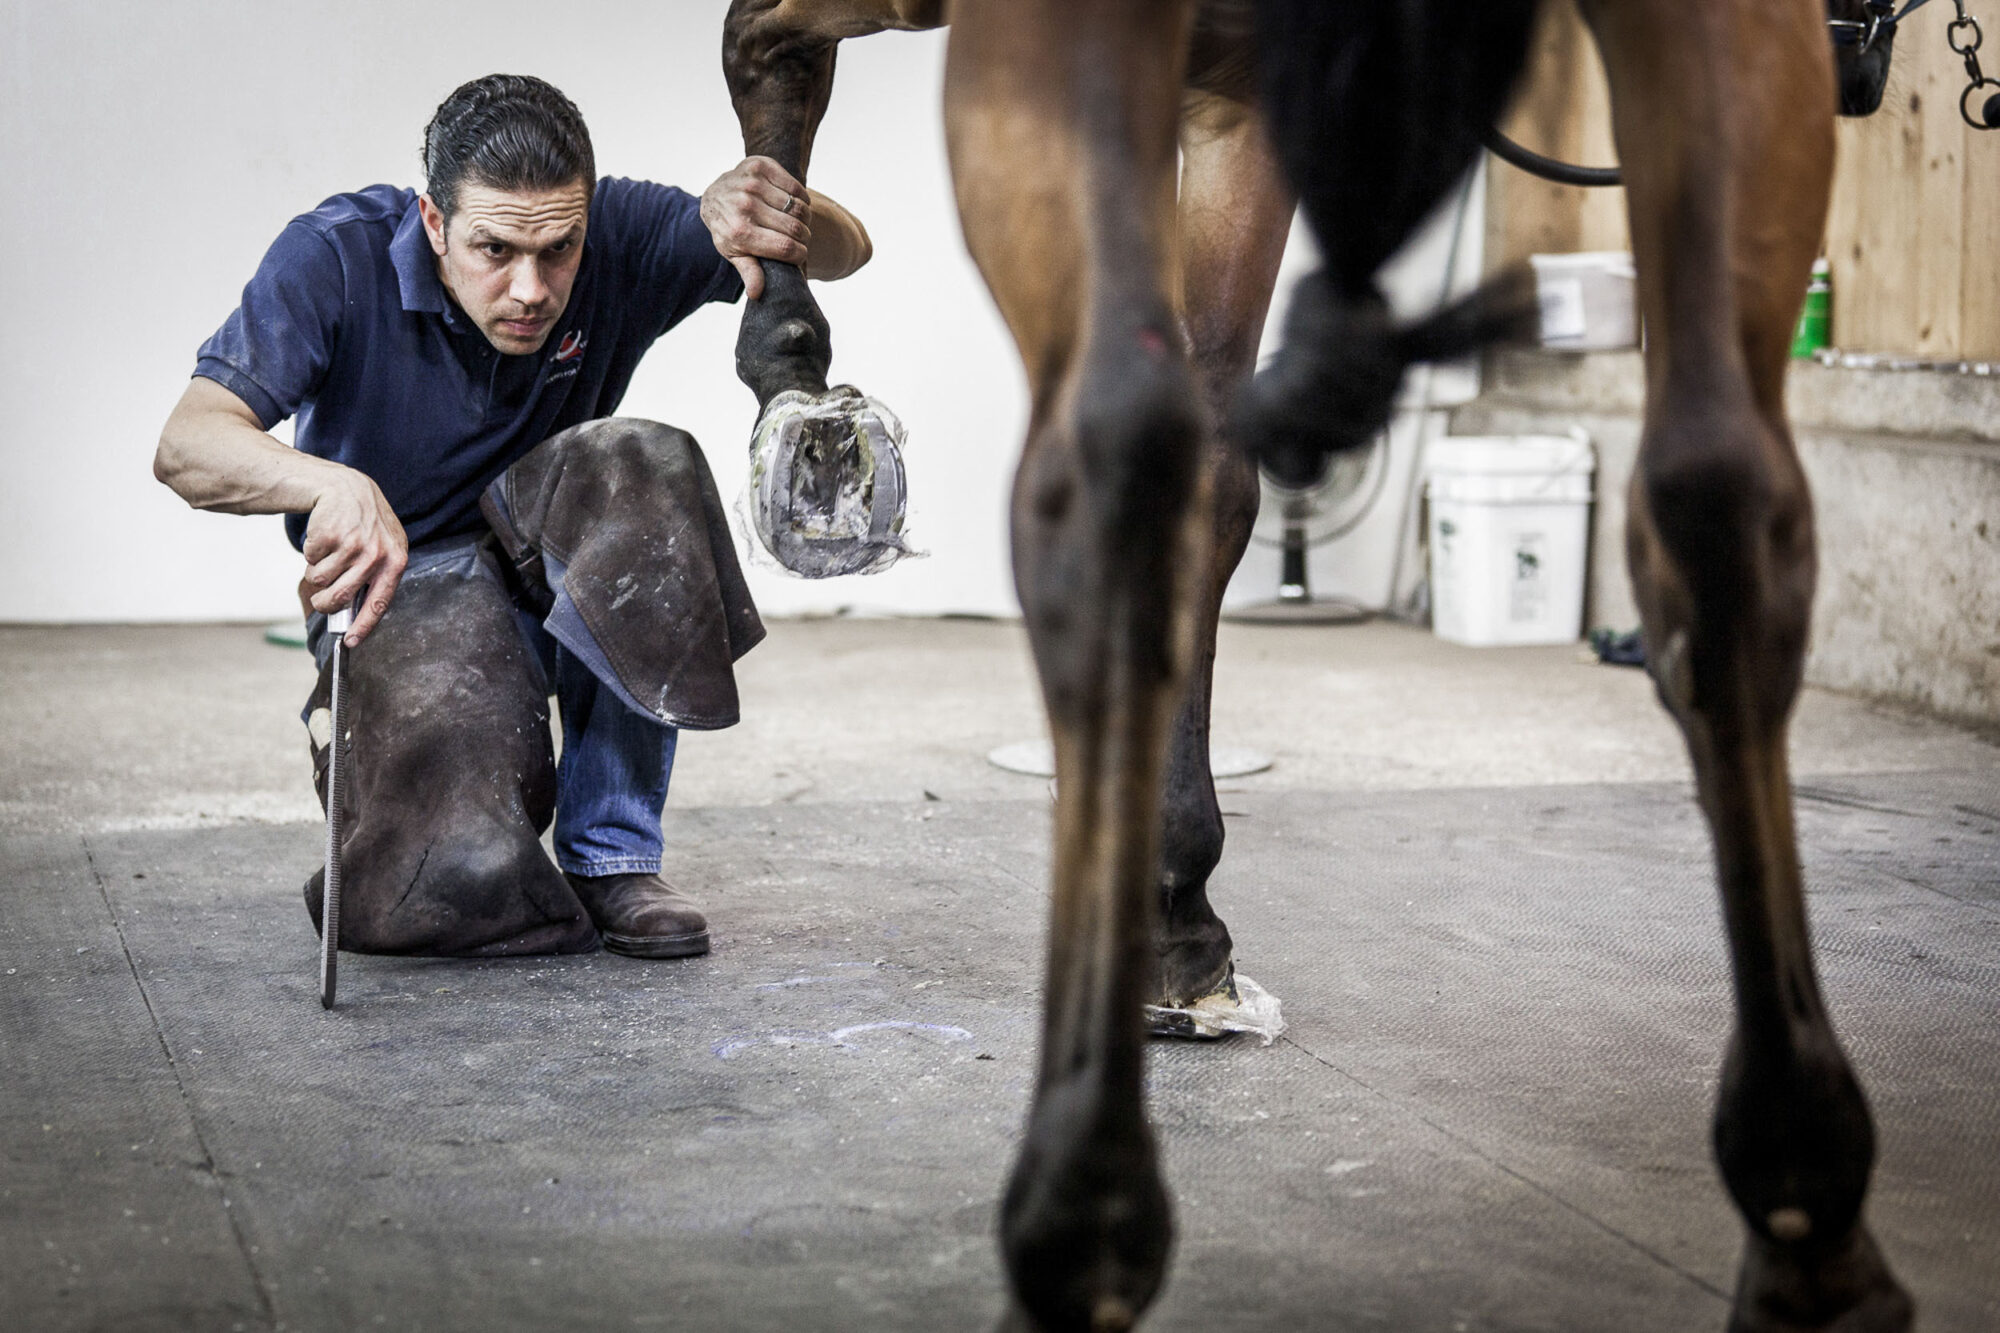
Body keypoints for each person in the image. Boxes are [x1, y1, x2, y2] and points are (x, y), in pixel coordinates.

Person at [154, 73, 872, 961]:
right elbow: (188, 444)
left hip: (551, 566)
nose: (530, 288)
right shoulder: (335, 257)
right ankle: (397, 795)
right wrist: (332, 484)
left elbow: (850, 251)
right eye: (494, 250)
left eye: (558, 251)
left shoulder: (618, 232)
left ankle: (615, 858)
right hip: (406, 587)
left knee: (642, 459)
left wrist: (770, 204)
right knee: (455, 887)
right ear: (433, 224)